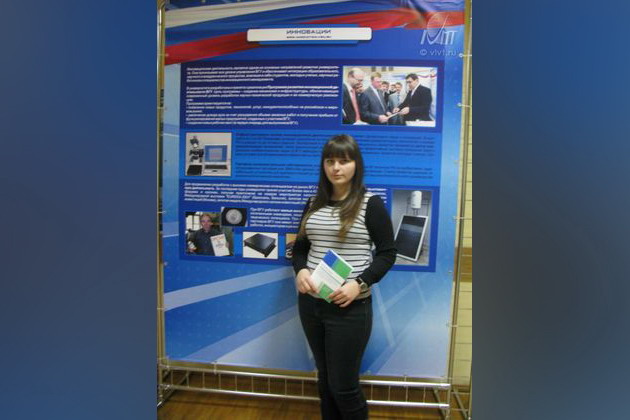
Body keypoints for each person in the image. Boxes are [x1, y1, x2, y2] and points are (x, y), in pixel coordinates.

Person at [292, 134, 396, 419]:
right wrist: (301, 270)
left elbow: (388, 253)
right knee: (325, 380)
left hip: (350, 307)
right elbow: (300, 247)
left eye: (344, 161)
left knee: (344, 387)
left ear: (356, 164)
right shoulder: (313, 202)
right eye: (330, 161)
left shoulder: (370, 204)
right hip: (311, 304)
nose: (336, 168)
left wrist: (359, 284)